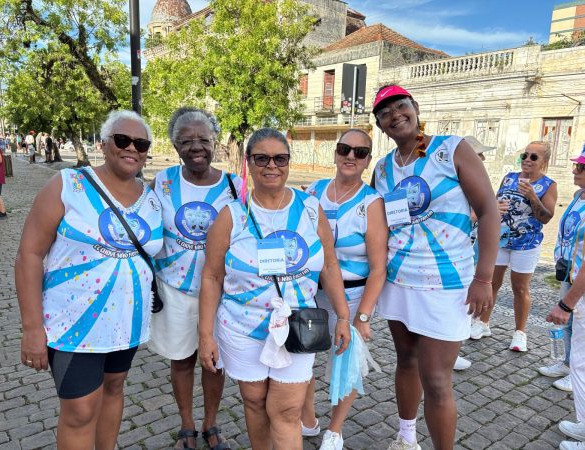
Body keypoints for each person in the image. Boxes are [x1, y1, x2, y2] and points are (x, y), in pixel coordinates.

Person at [14, 110, 163, 449]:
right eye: (122, 140)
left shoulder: (151, 198)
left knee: (114, 390)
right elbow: (29, 255)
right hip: (73, 323)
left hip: (126, 322)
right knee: (80, 410)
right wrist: (32, 328)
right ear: (104, 143)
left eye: (140, 143)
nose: (132, 149)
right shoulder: (68, 185)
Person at [198, 128, 351, 450]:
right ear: (248, 163)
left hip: (298, 325)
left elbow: (331, 265)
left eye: (280, 158)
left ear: (288, 162)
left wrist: (344, 316)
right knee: (253, 401)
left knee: (286, 408)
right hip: (241, 327)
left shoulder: (310, 209)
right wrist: (206, 335)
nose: (272, 166)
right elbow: (212, 277)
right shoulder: (232, 216)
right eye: (262, 158)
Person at [370, 85, 499, 450]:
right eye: (384, 112)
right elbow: (378, 226)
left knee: (438, 380)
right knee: (406, 362)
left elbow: (489, 210)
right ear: (380, 126)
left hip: (448, 286)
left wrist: (484, 277)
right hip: (398, 282)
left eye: (400, 105)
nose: (395, 114)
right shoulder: (382, 169)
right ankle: (406, 438)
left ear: (415, 107)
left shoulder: (451, 149)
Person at [148, 107, 241, 450]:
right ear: (175, 146)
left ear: (215, 141)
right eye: (187, 140)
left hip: (222, 292)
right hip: (175, 289)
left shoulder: (236, 186)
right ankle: (187, 424)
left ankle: (211, 423)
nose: (196, 146)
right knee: (182, 359)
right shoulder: (162, 182)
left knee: (214, 363)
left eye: (203, 139)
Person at [299, 129, 387, 450]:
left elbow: (379, 268)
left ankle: (335, 429)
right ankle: (308, 420)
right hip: (312, 293)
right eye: (344, 149)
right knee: (303, 356)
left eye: (360, 152)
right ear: (335, 153)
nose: (350, 156)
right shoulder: (314, 191)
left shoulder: (371, 203)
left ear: (367, 161)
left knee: (345, 361)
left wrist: (363, 316)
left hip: (352, 295)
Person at [471, 141, 557, 352]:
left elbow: (546, 217)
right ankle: (483, 323)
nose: (527, 160)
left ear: (544, 161)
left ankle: (520, 333)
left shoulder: (549, 184)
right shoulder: (509, 177)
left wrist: (532, 197)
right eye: (524, 155)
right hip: (500, 238)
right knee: (491, 283)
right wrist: (495, 207)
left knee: (520, 287)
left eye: (533, 157)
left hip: (526, 243)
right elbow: (495, 200)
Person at [546, 147, 585, 450]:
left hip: (580, 289)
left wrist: (567, 303)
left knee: (582, 363)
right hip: (571, 275)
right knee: (577, 354)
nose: (575, 171)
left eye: (581, 168)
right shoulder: (577, 196)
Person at [453, 135, 497, 371]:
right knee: (459, 303)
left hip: (469, 252)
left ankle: (453, 346)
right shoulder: (459, 179)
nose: (483, 158)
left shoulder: (475, 178)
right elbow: (457, 219)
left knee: (463, 303)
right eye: (478, 154)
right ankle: (451, 348)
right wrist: (483, 214)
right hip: (457, 254)